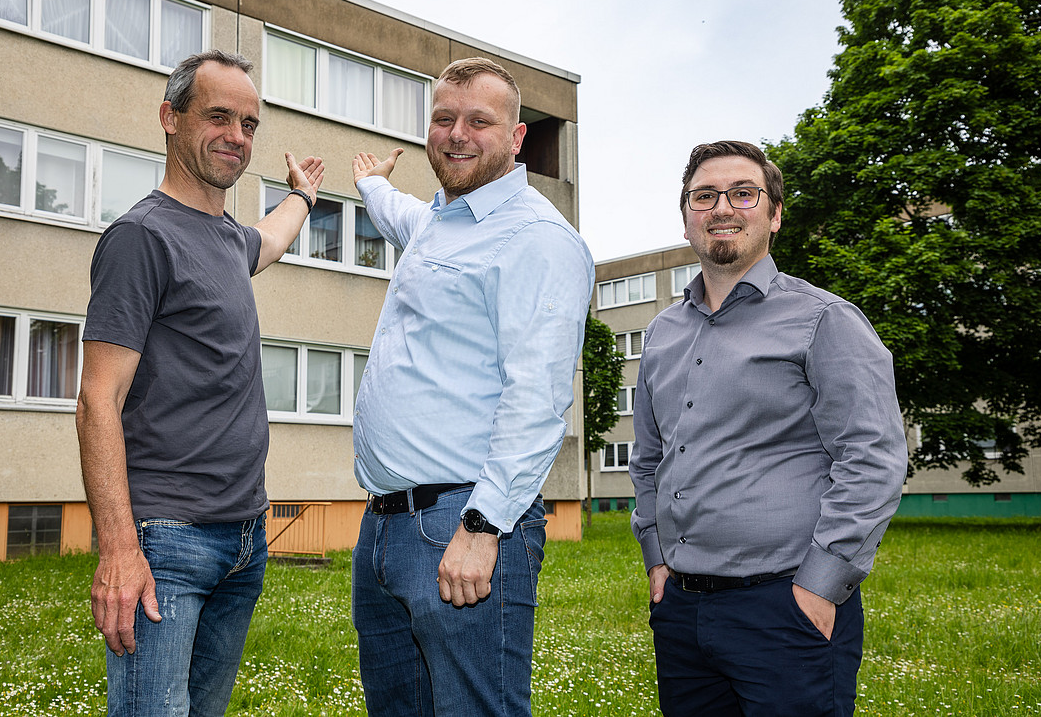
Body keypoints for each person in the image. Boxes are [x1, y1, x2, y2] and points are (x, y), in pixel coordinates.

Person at [75, 49, 324, 716]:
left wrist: (302, 195)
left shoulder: (223, 238)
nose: (236, 137)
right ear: (170, 118)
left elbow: (268, 239)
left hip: (243, 537)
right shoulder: (141, 237)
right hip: (168, 541)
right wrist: (120, 549)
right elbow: (98, 396)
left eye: (249, 124)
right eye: (218, 116)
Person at [349, 57, 594, 716]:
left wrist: (483, 526)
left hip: (462, 523)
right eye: (443, 119)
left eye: (479, 121)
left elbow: (538, 398)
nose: (457, 134)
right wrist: (370, 184)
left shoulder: (537, 238)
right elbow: (396, 212)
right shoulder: (435, 224)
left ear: (516, 139)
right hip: (385, 526)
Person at [629, 140, 907, 716]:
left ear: (774, 214)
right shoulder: (661, 334)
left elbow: (873, 458)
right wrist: (656, 555)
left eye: (743, 193)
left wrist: (819, 586)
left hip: (786, 608)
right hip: (682, 610)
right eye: (704, 196)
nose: (722, 207)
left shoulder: (824, 320)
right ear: (686, 218)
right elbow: (650, 459)